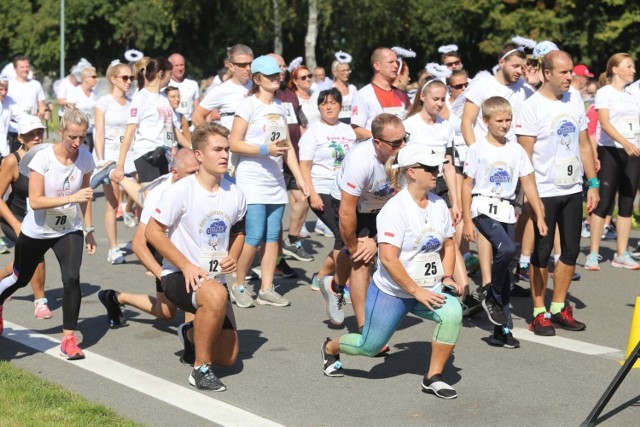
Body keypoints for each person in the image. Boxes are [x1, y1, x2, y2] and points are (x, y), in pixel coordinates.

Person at [320, 144, 463, 399]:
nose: (436, 172)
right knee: (369, 347)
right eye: (429, 168)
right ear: (411, 172)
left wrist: (448, 276)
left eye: (437, 167)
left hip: (427, 289)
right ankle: (330, 348)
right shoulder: (395, 209)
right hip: (393, 292)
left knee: (452, 313)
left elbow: (449, 244)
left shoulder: (439, 204)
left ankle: (433, 377)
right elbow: (387, 259)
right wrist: (415, 291)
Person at [145, 123, 245, 391]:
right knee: (215, 296)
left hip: (214, 278)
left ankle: (190, 333)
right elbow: (153, 233)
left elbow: (239, 232)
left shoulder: (235, 193)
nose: (225, 155)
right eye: (217, 150)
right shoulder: (181, 191)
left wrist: (233, 256)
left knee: (228, 357)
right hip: (178, 275)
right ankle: (200, 370)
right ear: (199, 155)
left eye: (227, 149)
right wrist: (185, 265)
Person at [0, 108, 97, 359]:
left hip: (69, 228)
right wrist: (71, 197)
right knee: (21, 278)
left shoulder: (85, 158)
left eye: (82, 137)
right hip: (37, 229)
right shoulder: (42, 158)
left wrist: (89, 230)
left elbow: (85, 197)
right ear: (60, 132)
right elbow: (36, 201)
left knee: (72, 278)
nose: (77, 143)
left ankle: (68, 339)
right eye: (72, 137)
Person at [516, 50, 599, 336]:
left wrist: (593, 184)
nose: (570, 77)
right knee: (542, 251)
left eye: (571, 72)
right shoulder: (532, 106)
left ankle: (559, 307)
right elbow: (524, 154)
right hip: (544, 190)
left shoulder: (574, 99)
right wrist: (530, 196)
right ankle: (539, 312)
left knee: (571, 250)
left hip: (572, 187)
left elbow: (584, 144)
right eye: (563, 72)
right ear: (547, 73)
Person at [98, 150, 199, 363]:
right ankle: (193, 345)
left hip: (184, 247)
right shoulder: (162, 195)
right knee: (176, 306)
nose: (196, 175)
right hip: (162, 249)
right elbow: (138, 244)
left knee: (175, 306)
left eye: (198, 170)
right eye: (191, 172)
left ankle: (116, 298)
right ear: (175, 172)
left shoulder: (195, 184)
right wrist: (162, 275)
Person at [462, 97, 547, 347]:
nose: (505, 125)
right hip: (482, 206)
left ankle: (502, 329)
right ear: (485, 121)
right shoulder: (477, 149)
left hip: (507, 209)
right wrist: (467, 220)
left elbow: (529, 182)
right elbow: (467, 185)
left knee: (507, 270)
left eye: (508, 120)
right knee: (507, 249)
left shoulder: (516, 150)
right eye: (499, 120)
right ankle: (489, 291)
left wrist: (539, 216)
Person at [229, 55, 309, 308]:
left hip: (275, 180)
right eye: (271, 75)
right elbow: (234, 143)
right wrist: (265, 149)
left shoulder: (280, 105)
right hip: (251, 179)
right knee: (254, 236)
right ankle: (239, 285)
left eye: (278, 74)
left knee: (273, 236)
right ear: (257, 79)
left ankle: (266, 288)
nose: (278, 78)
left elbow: (287, 147)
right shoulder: (248, 105)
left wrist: (300, 178)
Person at [461, 43, 533, 299]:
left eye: (523, 66)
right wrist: (478, 153)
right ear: (501, 62)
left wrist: (534, 83)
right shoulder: (482, 84)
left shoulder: (524, 88)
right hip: (484, 161)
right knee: (485, 216)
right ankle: (488, 281)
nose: (519, 71)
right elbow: (467, 122)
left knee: (507, 218)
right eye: (515, 65)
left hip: (510, 162)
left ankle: (504, 280)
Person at [321, 113, 404, 329]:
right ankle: (365, 328)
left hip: (383, 205)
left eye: (405, 138)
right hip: (352, 205)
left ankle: (335, 287)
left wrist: (375, 239)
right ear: (377, 143)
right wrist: (356, 247)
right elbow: (347, 211)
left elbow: (404, 203)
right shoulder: (361, 161)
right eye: (396, 143)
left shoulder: (406, 152)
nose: (403, 145)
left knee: (367, 252)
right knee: (361, 259)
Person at [585, 53, 640, 271]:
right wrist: (625, 143)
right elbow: (605, 124)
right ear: (615, 69)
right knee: (604, 201)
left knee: (627, 201)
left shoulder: (633, 95)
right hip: (611, 150)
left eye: (634, 67)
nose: (633, 71)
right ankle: (593, 252)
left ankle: (621, 253)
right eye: (629, 66)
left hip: (633, 151)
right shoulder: (604, 92)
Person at [299, 88, 356, 291]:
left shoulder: (349, 131)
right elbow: (304, 166)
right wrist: (312, 194)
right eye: (324, 103)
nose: (329, 106)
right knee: (343, 235)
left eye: (333, 102)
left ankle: (321, 275)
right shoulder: (313, 132)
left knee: (348, 236)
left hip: (346, 191)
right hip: (321, 189)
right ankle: (343, 282)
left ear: (341, 106)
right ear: (319, 108)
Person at [0, 116, 50, 318]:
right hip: (14, 216)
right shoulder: (12, 161)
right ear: (20, 138)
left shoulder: (48, 156)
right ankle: (40, 302)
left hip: (39, 216)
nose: (36, 137)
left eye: (39, 132)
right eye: (30, 134)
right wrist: (16, 224)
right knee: (36, 252)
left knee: (24, 260)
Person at [112, 57, 174, 186]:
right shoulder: (141, 97)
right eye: (170, 74)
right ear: (161, 74)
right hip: (146, 154)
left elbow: (169, 127)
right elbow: (129, 132)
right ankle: (113, 174)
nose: (171, 78)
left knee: (162, 201)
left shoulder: (163, 98)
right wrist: (120, 165)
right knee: (151, 200)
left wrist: (187, 146)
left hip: (164, 154)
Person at [351, 48, 411, 141]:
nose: (396, 65)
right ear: (377, 66)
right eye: (391, 62)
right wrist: (386, 141)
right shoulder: (363, 95)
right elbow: (356, 130)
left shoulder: (402, 95)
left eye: (397, 62)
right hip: (373, 152)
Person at [193, 44, 254, 131]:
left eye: (250, 64)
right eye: (242, 65)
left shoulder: (259, 85)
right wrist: (213, 139)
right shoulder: (222, 90)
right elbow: (197, 116)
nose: (248, 68)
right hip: (233, 143)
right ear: (232, 67)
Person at [6, 56, 46, 153]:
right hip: (14, 129)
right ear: (15, 69)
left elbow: (41, 105)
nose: (25, 69)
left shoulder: (36, 84)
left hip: (32, 130)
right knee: (15, 160)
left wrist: (41, 114)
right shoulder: (9, 85)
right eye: (22, 67)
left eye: (27, 66)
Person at [66, 66, 98, 152]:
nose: (96, 79)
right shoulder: (75, 91)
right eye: (93, 77)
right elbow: (69, 111)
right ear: (85, 79)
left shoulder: (96, 92)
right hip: (79, 131)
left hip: (93, 130)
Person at [168, 53, 200, 126]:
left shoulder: (193, 84)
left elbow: (197, 109)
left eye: (182, 65)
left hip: (190, 127)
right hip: (172, 126)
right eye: (176, 65)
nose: (180, 68)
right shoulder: (165, 85)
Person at [331, 57, 357, 125]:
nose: (347, 73)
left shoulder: (353, 88)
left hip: (353, 121)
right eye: (343, 70)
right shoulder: (331, 89)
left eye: (348, 70)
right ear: (335, 72)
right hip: (337, 122)